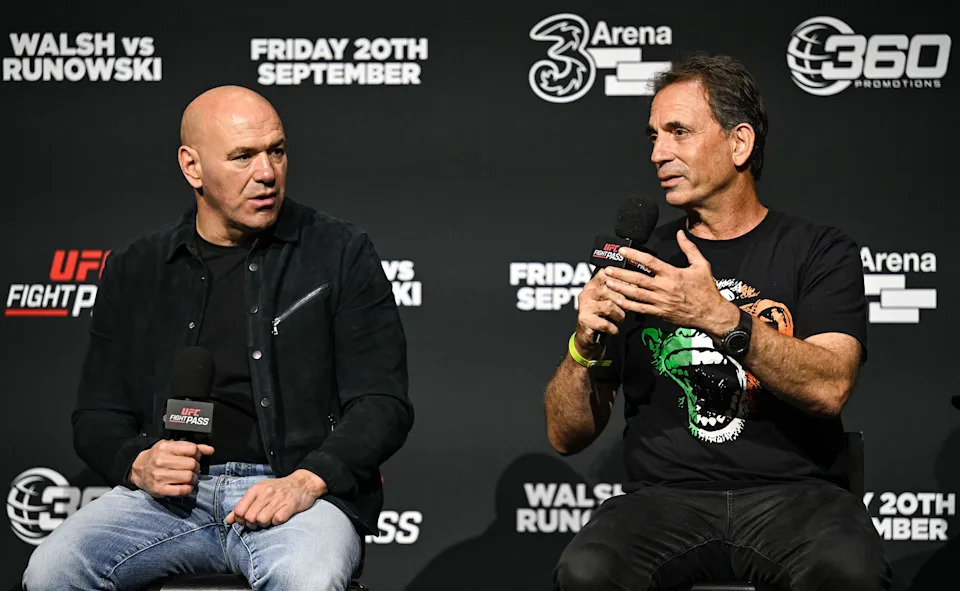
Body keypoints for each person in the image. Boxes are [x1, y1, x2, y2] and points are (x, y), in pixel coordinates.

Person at [22, 85, 413, 590]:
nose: (267, 173)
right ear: (193, 167)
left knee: (307, 578)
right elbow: (96, 414)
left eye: (276, 150)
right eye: (243, 157)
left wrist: (308, 480)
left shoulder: (340, 253)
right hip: (166, 503)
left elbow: (383, 403)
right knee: (55, 568)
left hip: (295, 495)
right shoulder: (137, 268)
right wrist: (138, 462)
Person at [545, 55, 890, 590]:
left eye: (679, 132)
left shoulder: (819, 251)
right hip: (663, 501)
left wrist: (718, 317)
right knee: (586, 571)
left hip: (796, 498)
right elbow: (566, 437)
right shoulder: (638, 261)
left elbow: (830, 386)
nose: (659, 153)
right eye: (654, 136)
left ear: (740, 144)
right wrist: (583, 345)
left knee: (846, 571)